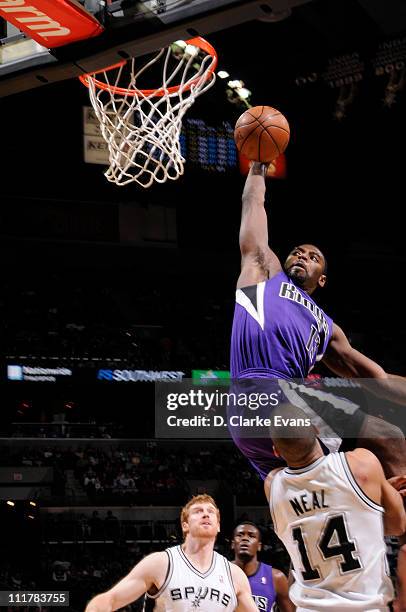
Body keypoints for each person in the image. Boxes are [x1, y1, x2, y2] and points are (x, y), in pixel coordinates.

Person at [230, 161, 406, 480]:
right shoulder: (263, 272)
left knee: (302, 497)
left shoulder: (326, 326)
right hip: (271, 390)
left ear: (321, 279)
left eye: (313, 258)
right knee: (389, 437)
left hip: (257, 414)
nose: (302, 256)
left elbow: (378, 379)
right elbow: (252, 204)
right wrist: (258, 167)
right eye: (298, 252)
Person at [264, 404, 406, 611]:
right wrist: (381, 493)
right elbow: (398, 526)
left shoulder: (273, 485)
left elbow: (318, 507)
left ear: (276, 451)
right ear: (315, 429)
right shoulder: (361, 464)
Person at [85, 494, 258, 612]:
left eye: (211, 512)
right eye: (198, 511)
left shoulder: (234, 575)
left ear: (218, 526)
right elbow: (110, 600)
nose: (206, 514)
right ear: (185, 525)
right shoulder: (161, 563)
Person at [231, 521, 294, 611]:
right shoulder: (220, 572)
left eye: (251, 536)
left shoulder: (276, 578)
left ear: (259, 546)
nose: (245, 538)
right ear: (233, 544)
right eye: (240, 535)